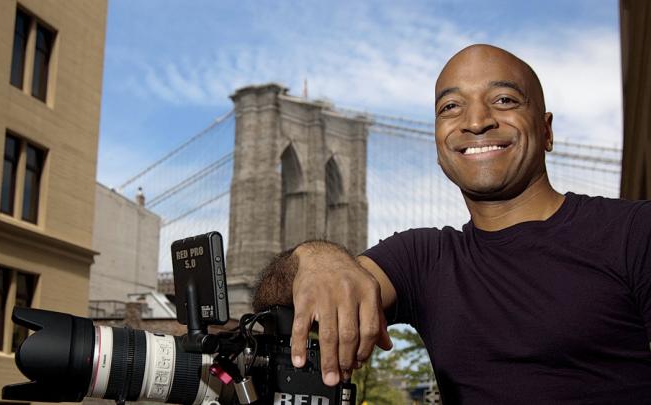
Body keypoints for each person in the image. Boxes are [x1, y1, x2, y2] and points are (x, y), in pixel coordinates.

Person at [251, 44, 651, 403]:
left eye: (504, 99)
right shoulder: (423, 258)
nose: (476, 121)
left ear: (546, 130)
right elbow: (279, 303)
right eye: (450, 107)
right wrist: (316, 259)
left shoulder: (635, 232)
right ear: (439, 141)